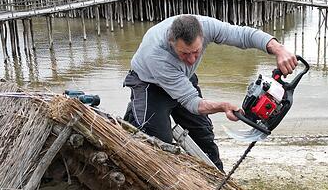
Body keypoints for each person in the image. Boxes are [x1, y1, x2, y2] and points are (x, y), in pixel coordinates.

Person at [123, 14, 297, 171]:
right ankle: (136, 115)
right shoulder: (157, 54)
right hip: (150, 85)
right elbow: (191, 102)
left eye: (196, 52)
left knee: (203, 135)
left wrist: (278, 48)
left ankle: (218, 181)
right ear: (171, 42)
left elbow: (243, 35)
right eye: (184, 54)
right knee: (159, 145)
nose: (192, 60)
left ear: (202, 36)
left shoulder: (205, 26)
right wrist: (222, 106)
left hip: (181, 78)